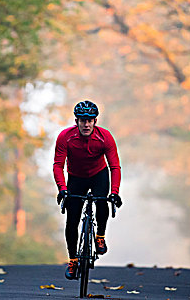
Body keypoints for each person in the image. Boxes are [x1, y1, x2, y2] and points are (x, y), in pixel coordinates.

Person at [53, 100, 123, 280]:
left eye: (90, 120)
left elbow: (115, 166)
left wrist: (114, 192)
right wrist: (62, 189)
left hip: (99, 174)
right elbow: (58, 166)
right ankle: (73, 260)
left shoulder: (105, 137)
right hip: (76, 177)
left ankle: (100, 235)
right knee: (72, 218)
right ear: (76, 121)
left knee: (102, 202)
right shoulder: (65, 137)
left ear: (95, 121)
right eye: (82, 120)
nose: (86, 124)